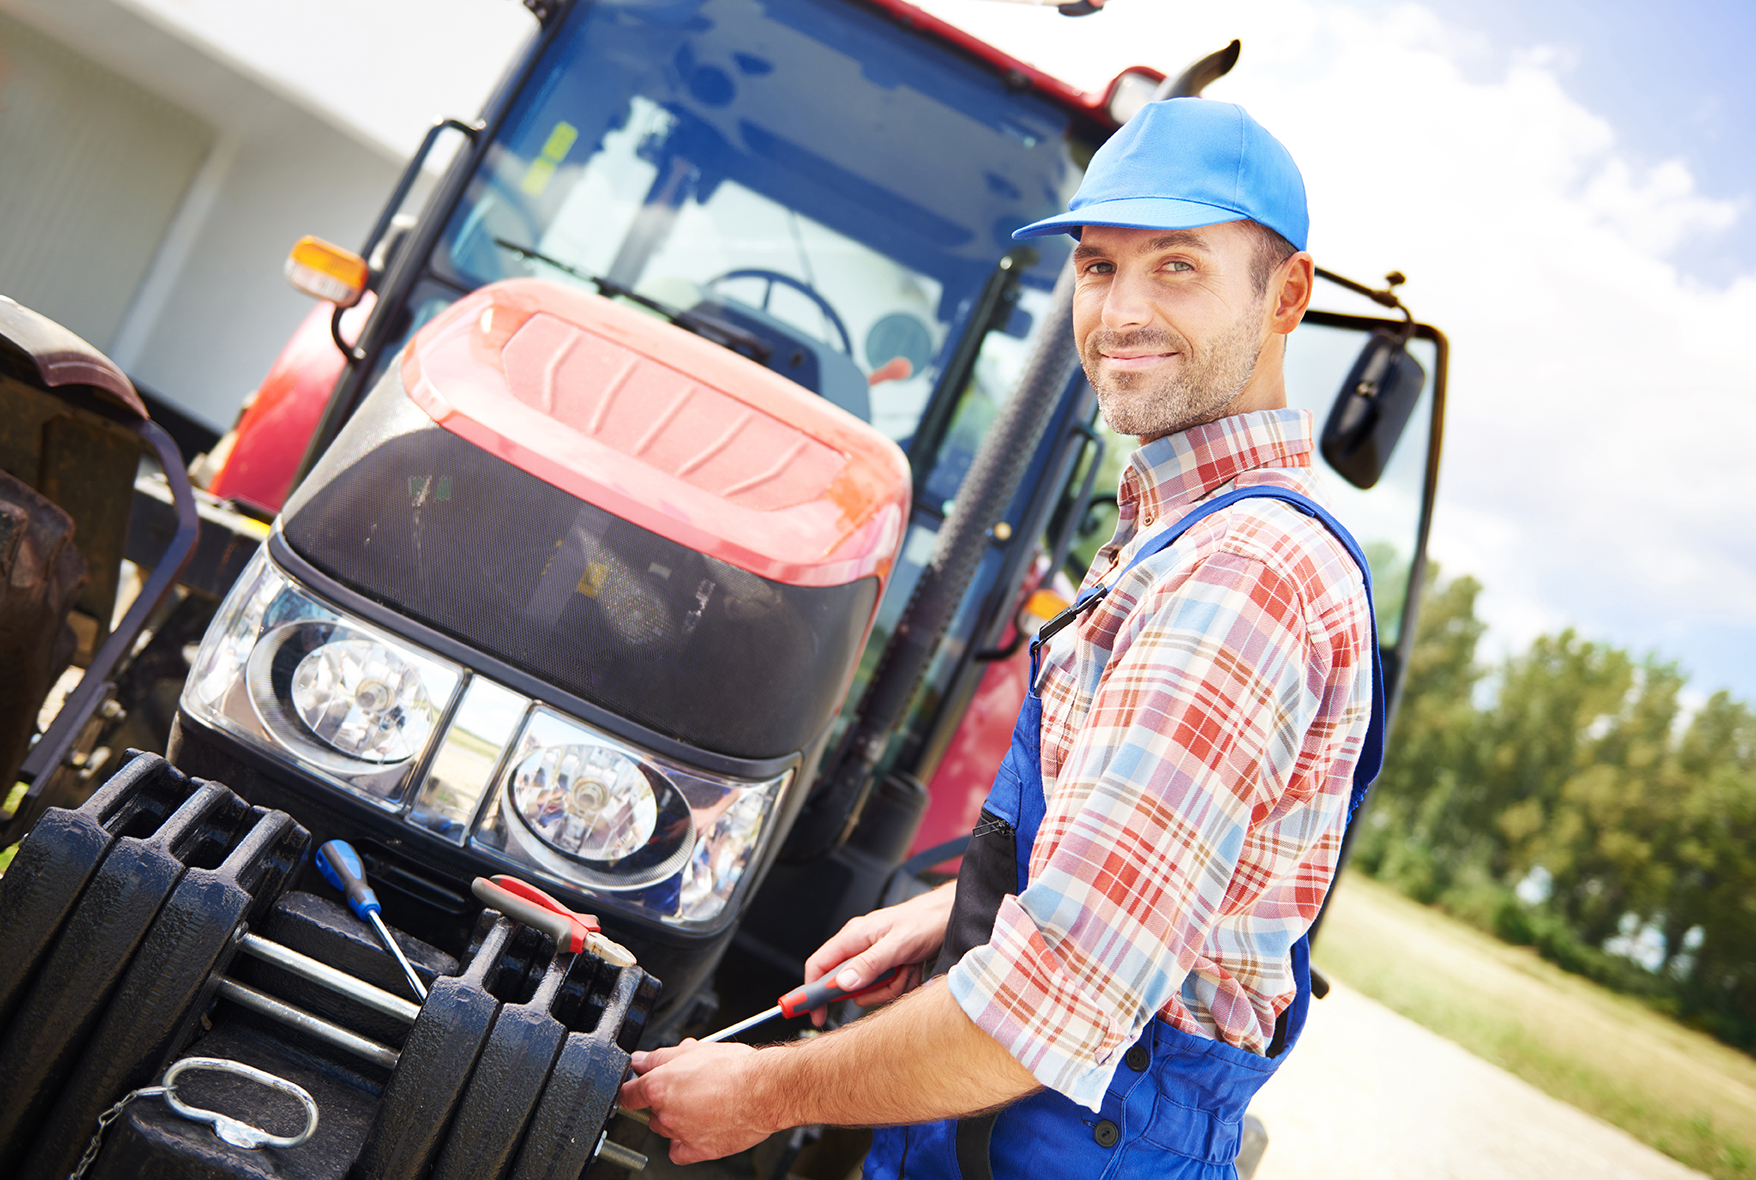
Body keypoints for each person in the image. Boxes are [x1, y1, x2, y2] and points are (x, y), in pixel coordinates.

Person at [621, 98, 1384, 1180]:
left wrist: (760, 1090)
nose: (1119, 311)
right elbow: (1144, 867)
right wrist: (962, 912)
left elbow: (1052, 1002)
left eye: (1176, 268)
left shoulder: (1240, 576)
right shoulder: (1172, 534)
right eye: (1098, 266)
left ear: (1286, 296)